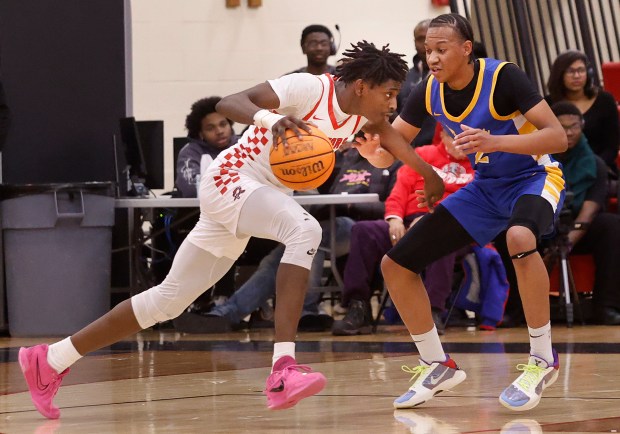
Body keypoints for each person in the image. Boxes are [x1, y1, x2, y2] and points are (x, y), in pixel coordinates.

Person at [18, 41, 444, 418]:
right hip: (233, 178)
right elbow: (230, 101)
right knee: (306, 232)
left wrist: (428, 174)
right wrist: (268, 120)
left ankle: (49, 359)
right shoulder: (310, 88)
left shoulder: (360, 119)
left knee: (167, 302)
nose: (393, 103)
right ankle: (283, 369)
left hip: (252, 195)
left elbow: (393, 141)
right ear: (363, 85)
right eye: (389, 93)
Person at [360, 14, 567, 411]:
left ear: (466, 49)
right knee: (396, 265)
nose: (432, 58)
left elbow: (557, 136)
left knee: (520, 238)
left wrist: (495, 140)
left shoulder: (505, 77)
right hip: (485, 189)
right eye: (427, 51)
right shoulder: (427, 90)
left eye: (441, 49)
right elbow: (392, 145)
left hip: (535, 176)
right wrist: (375, 155)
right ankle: (437, 363)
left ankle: (542, 358)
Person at [201, 143, 400, 332]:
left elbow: (393, 207)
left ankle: (305, 308)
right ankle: (229, 313)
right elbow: (328, 193)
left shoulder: (394, 161)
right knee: (278, 257)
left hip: (364, 228)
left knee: (311, 236)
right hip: (331, 221)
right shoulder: (348, 158)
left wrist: (350, 206)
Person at [332, 125, 474, 336]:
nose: (460, 143)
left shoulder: (479, 165)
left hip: (450, 224)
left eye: (465, 139)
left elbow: (472, 204)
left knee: (441, 238)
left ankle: (433, 311)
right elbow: (399, 191)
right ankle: (357, 307)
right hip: (406, 223)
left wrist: (431, 220)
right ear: (442, 136)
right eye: (454, 137)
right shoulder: (423, 155)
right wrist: (394, 219)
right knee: (363, 231)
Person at [548, 102, 620, 324]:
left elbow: (591, 209)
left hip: (579, 229)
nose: (569, 133)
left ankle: (606, 306)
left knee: (611, 225)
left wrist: (564, 244)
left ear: (583, 125)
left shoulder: (595, 164)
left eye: (574, 126)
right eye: (562, 127)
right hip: (544, 227)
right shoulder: (538, 159)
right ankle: (515, 310)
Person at [545, 50, 619, 173]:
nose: (577, 76)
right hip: (559, 170)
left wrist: (590, 166)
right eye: (571, 71)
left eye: (581, 70)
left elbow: (611, 147)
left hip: (598, 168)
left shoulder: (605, 100)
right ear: (560, 74)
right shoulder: (548, 103)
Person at [175, 97, 238, 198]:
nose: (219, 131)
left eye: (223, 124)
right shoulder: (190, 152)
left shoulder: (244, 145)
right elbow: (190, 189)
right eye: (210, 128)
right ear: (201, 134)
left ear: (230, 125)